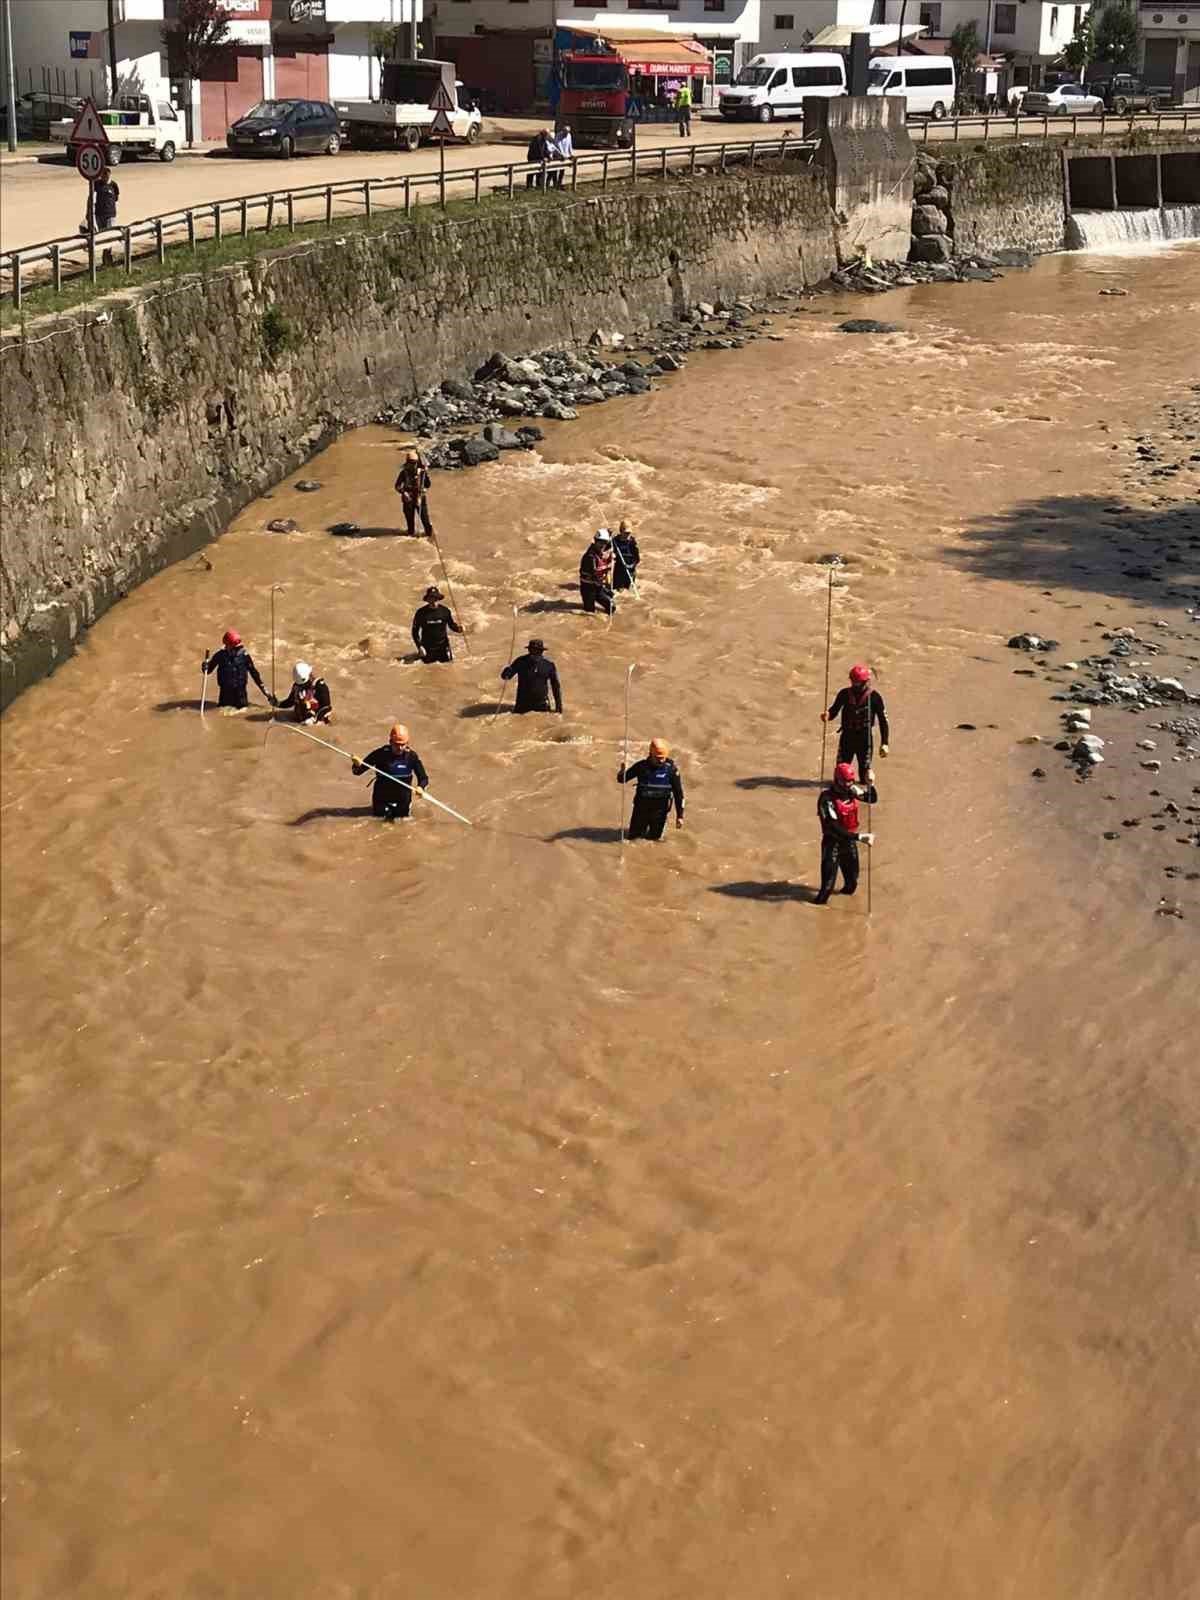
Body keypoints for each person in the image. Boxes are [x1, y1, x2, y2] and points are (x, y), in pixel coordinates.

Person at [814, 762, 876, 904]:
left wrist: (870, 784)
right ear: (837, 780)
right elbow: (834, 827)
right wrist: (859, 837)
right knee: (827, 889)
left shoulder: (852, 791)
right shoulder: (826, 799)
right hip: (832, 844)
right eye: (845, 781)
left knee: (852, 884)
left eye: (851, 781)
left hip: (849, 843)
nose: (848, 784)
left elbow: (872, 798)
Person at [821, 663, 890, 782]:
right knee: (840, 774)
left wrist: (885, 743)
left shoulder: (874, 698)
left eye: (858, 683)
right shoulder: (844, 694)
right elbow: (834, 710)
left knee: (865, 777)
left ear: (866, 682)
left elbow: (883, 721)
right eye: (853, 682)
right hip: (847, 737)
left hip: (865, 739)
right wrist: (828, 715)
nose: (855, 685)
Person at [352, 723, 429, 822]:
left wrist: (420, 787)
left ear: (407, 743)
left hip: (403, 801)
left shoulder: (412, 757)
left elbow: (424, 778)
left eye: (403, 745)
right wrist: (357, 765)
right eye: (396, 744)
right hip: (381, 799)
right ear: (390, 742)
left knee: (402, 829)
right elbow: (357, 772)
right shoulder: (380, 754)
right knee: (378, 825)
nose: (400, 748)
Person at [618, 738, 685, 841]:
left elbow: (678, 794)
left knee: (654, 840)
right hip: (641, 810)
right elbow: (622, 779)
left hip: (660, 812)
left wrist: (680, 816)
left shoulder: (671, 770)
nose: (660, 760)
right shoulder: (641, 767)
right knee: (633, 839)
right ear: (650, 754)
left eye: (663, 758)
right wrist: (622, 772)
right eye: (657, 758)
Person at [203, 629, 271, 710]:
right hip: (225, 694)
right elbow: (208, 671)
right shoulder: (220, 655)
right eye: (233, 647)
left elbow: (255, 674)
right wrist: (205, 665)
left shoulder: (244, 656)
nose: (237, 649)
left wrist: (265, 692)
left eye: (237, 647)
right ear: (226, 645)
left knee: (241, 714)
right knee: (223, 714)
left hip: (240, 694)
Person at [500, 637, 562, 714]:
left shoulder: (548, 665)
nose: (534, 654)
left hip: (541, 706)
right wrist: (507, 671)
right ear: (529, 650)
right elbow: (506, 677)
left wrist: (558, 707)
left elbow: (555, 687)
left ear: (542, 651)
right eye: (532, 651)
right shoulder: (521, 662)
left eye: (537, 651)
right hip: (522, 705)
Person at [411, 586, 462, 663]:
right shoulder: (421, 613)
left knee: (448, 669)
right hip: (427, 647)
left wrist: (458, 629)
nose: (433, 600)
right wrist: (420, 647)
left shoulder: (445, 611)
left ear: (438, 598)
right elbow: (415, 632)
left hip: (443, 646)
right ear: (427, 599)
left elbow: (451, 625)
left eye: (435, 597)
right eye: (431, 598)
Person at [394, 449, 433, 538]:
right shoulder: (404, 473)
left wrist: (425, 484)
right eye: (410, 463)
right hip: (408, 500)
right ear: (407, 463)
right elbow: (397, 486)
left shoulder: (422, 473)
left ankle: (429, 536)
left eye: (414, 463)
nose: (412, 465)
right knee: (410, 524)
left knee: (425, 520)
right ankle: (411, 538)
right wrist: (403, 492)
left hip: (420, 498)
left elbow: (428, 484)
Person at [579, 528, 616, 615]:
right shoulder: (589, 557)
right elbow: (595, 573)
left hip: (597, 587)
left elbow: (609, 545)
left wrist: (610, 536)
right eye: (600, 542)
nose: (602, 545)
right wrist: (608, 566)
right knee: (589, 613)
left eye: (604, 543)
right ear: (595, 541)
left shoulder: (600, 549)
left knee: (611, 607)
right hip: (588, 589)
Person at [612, 519, 640, 592]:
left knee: (629, 590)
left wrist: (630, 566)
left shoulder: (632, 543)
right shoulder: (615, 541)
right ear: (621, 531)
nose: (628, 535)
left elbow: (637, 559)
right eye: (626, 533)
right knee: (619, 591)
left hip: (630, 570)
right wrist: (612, 555)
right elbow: (605, 549)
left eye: (629, 533)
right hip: (619, 570)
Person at [548, 123, 573, 189]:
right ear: (563, 131)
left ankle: (559, 183)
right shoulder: (559, 135)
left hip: (565, 156)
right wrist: (562, 154)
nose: (566, 134)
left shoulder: (569, 136)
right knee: (555, 170)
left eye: (567, 132)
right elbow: (558, 145)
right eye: (565, 132)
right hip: (558, 155)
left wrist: (571, 154)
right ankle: (554, 184)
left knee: (562, 171)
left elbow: (569, 145)